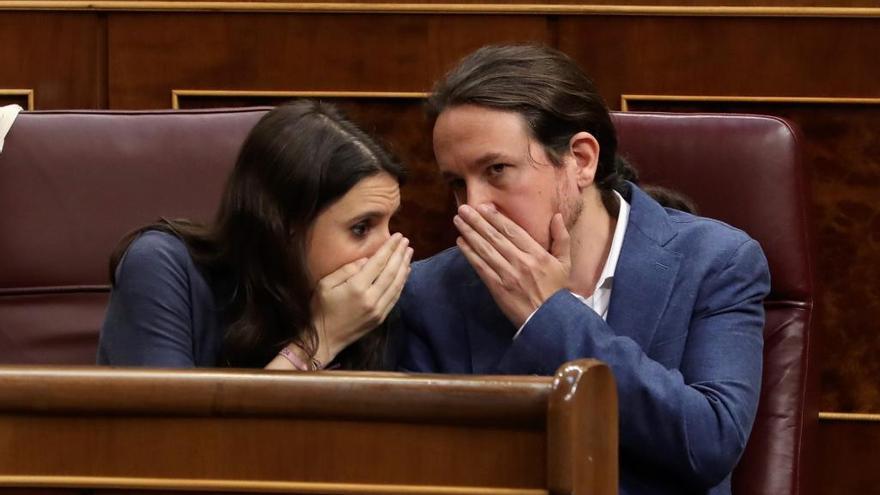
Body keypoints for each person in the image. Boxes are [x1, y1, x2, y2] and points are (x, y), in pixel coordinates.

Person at [397, 44, 770, 495]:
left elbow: (707, 444)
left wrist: (550, 315)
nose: (473, 207)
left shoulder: (717, 261)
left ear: (581, 159)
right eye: (457, 183)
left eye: (496, 169)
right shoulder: (430, 292)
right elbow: (435, 467)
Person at [97, 100, 412, 370]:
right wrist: (322, 339)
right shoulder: (160, 267)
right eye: (361, 228)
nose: (388, 250)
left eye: (391, 224)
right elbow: (176, 438)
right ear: (286, 226)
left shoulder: (374, 309)